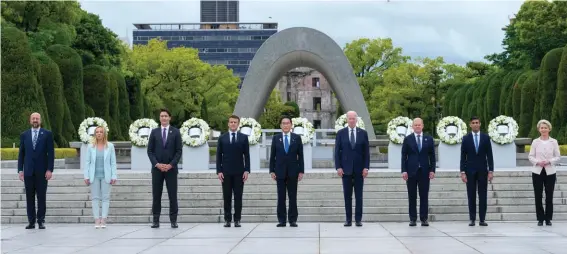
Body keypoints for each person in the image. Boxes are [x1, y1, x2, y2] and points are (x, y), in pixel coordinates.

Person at [17, 113, 54, 230]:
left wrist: (49, 169)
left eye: (37, 118)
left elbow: (51, 154)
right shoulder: (24, 135)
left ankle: (41, 221)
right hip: (28, 172)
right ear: (30, 120)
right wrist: (20, 170)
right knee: (29, 197)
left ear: (40, 120)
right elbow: (21, 154)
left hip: (42, 172)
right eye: (33, 118)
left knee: (41, 197)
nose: (35, 120)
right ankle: (31, 222)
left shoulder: (47, 134)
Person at [147, 108, 182, 228]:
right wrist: (157, 164)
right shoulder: (154, 132)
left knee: (173, 195)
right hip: (157, 169)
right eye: (162, 116)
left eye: (166, 116)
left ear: (170, 118)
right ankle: (156, 220)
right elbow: (150, 151)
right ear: (159, 118)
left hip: (171, 169)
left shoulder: (176, 132)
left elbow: (178, 151)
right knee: (156, 195)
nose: (164, 118)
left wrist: (171, 164)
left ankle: (173, 220)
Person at [334, 111, 370, 227]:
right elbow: (337, 152)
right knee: (347, 196)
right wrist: (338, 167)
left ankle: (358, 220)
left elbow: (367, 153)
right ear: (346, 120)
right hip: (346, 170)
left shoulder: (363, 133)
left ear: (356, 120)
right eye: (349, 118)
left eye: (353, 118)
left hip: (359, 170)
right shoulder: (341, 133)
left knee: (359, 196)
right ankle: (348, 220)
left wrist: (366, 167)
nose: (351, 120)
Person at [269, 116, 304, 227]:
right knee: (281, 197)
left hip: (293, 172)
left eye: (287, 123)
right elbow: (272, 156)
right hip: (279, 172)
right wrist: (272, 170)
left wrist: (301, 171)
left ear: (291, 125)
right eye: (283, 123)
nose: (285, 125)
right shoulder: (276, 138)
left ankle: (293, 219)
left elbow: (301, 156)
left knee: (292, 197)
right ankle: (282, 220)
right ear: (280, 125)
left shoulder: (296, 138)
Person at [216, 115, 250, 227]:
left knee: (238, 197)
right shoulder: (222, 138)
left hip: (239, 172)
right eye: (231, 122)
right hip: (225, 172)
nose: (233, 124)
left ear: (238, 124)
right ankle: (227, 219)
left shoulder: (244, 138)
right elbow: (218, 156)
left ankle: (237, 219)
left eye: (235, 122)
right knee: (227, 197)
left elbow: (247, 156)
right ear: (228, 124)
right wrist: (219, 171)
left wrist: (247, 170)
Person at [459, 116, 494, 227]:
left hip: (483, 170)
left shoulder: (485, 138)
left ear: (480, 124)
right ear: (470, 124)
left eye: (477, 122)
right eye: (473, 123)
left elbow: (490, 155)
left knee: (483, 195)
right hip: (470, 171)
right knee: (471, 195)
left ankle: (482, 219)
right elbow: (462, 156)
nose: (475, 124)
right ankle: (472, 219)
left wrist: (491, 170)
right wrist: (462, 171)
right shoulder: (466, 138)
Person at [401, 118, 435, 227]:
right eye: (415, 125)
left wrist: (432, 170)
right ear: (412, 126)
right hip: (411, 172)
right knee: (412, 196)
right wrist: (404, 170)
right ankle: (413, 219)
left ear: (423, 126)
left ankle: (424, 218)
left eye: (419, 125)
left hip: (424, 172)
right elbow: (403, 156)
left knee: (424, 196)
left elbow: (432, 157)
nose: (417, 127)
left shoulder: (428, 139)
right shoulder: (408, 139)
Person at [528, 120, 561, 226]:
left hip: (550, 171)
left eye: (545, 128)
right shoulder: (535, 142)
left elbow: (558, 156)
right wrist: (537, 162)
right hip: (537, 171)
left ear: (549, 129)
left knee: (549, 195)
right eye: (541, 128)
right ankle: (540, 218)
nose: (543, 130)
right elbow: (530, 156)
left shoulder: (554, 142)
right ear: (539, 129)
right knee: (538, 195)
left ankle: (548, 218)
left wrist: (549, 161)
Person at [84, 126, 118, 228]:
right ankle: (97, 220)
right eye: (97, 132)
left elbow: (113, 162)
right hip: (93, 176)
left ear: (104, 134)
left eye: (101, 132)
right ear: (95, 134)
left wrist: (114, 175)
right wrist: (86, 176)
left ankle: (103, 220)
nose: (99, 133)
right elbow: (87, 162)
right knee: (95, 198)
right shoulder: (90, 146)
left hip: (106, 176)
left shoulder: (110, 146)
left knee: (105, 198)